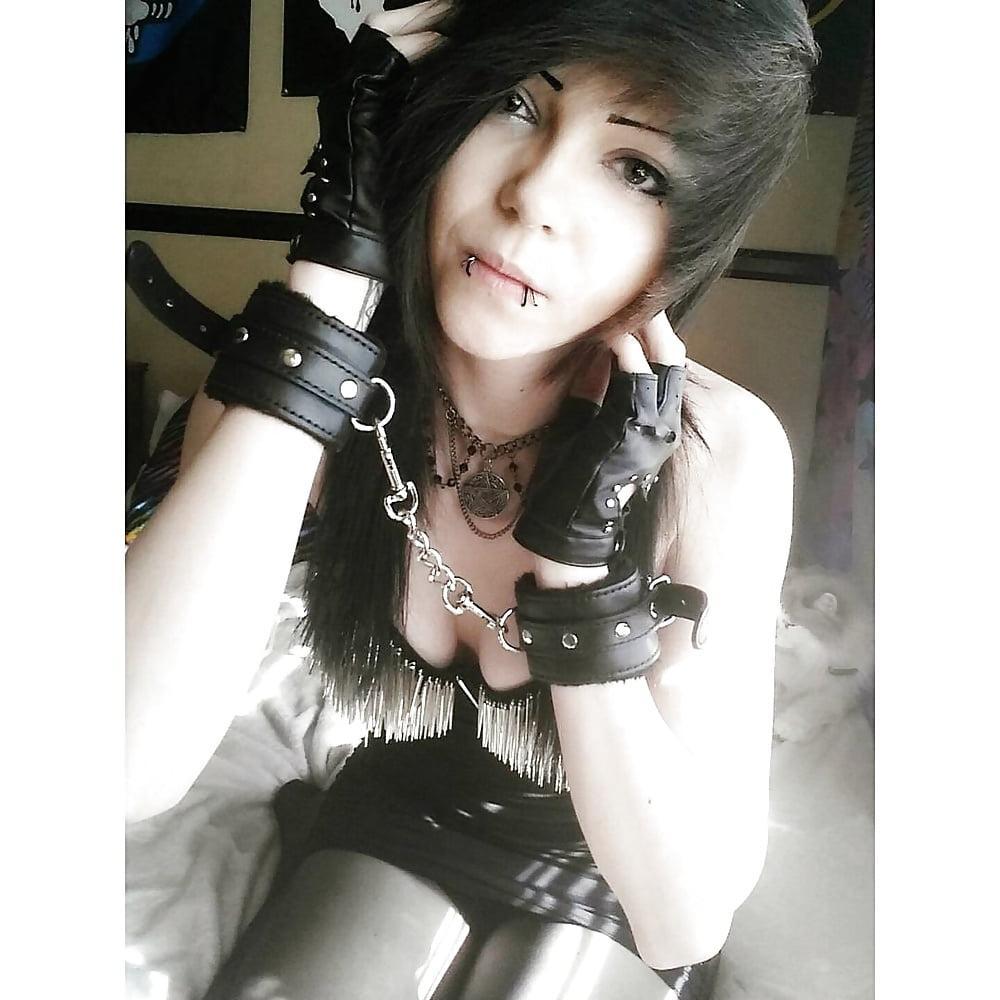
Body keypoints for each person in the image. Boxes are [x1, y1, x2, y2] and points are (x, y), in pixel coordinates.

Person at [125, 1, 819, 996]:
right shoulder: (313, 379)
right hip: (395, 813)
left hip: (623, 862)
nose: (534, 195)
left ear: (691, 235)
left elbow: (685, 912)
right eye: (512, 104)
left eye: (636, 169)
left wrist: (577, 570)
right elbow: (120, 765)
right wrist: (332, 273)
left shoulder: (717, 452)